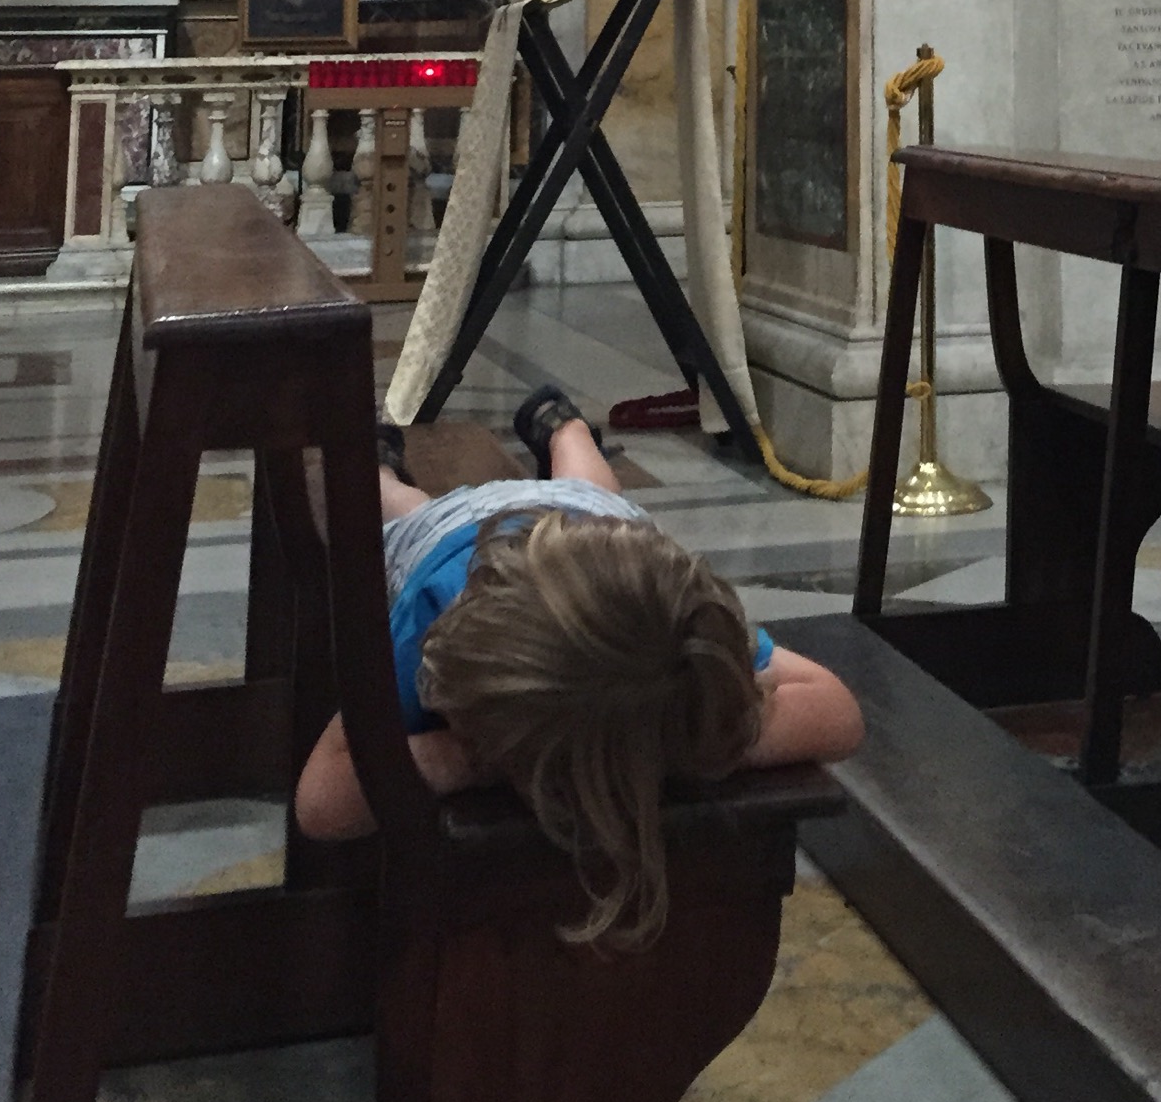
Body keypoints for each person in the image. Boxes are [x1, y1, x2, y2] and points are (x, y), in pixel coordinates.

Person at [294, 387, 865, 946]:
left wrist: (656, 735)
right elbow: (320, 802)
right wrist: (472, 756)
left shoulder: (669, 625)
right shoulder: (430, 628)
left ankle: (564, 428)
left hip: (593, 525)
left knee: (589, 491)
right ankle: (450, 454)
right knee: (400, 512)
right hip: (450, 538)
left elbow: (838, 713)